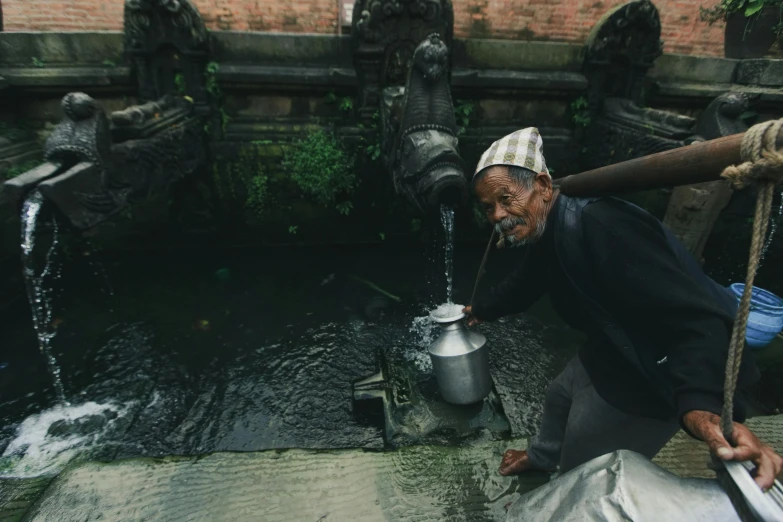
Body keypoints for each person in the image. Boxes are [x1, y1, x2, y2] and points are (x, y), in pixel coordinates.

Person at [463, 127, 783, 490]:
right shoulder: (544, 227)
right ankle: (540, 457)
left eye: (506, 198)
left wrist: (702, 405)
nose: (497, 215)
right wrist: (482, 309)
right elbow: (527, 281)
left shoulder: (606, 228)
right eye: (489, 207)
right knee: (559, 396)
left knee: (584, 468)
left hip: (654, 365)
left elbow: (693, 319)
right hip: (614, 341)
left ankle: (565, 490)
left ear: (542, 185)